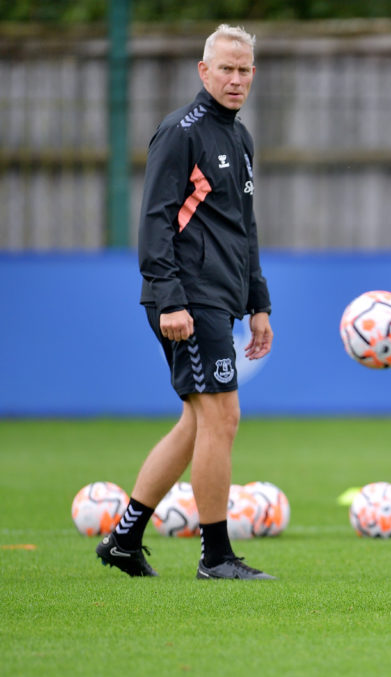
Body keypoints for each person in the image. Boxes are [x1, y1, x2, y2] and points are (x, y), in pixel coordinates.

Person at [96, 24, 275, 579]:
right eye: (226, 68)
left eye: (245, 69)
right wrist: (171, 299)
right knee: (223, 416)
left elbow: (242, 227)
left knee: (197, 423)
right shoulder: (181, 132)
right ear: (204, 71)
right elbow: (155, 221)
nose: (237, 79)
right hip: (186, 301)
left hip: (218, 300)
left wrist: (259, 302)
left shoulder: (239, 137)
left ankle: (123, 541)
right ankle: (216, 556)